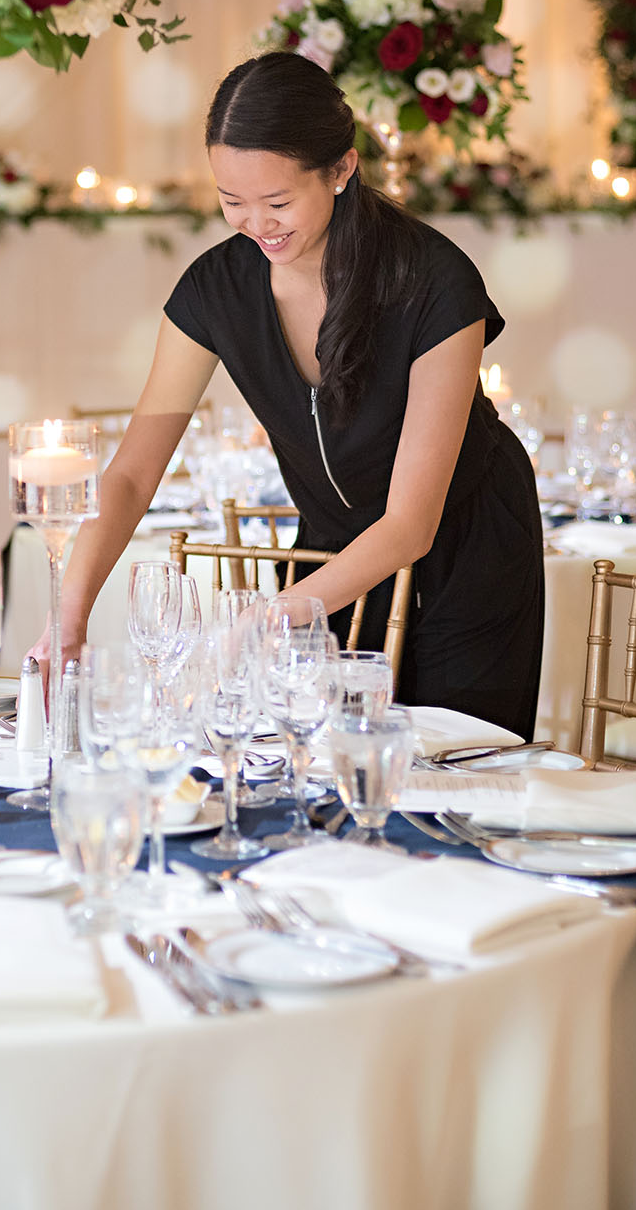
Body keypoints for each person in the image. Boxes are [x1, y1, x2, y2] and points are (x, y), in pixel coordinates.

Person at [44, 50, 545, 740]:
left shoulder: (434, 284)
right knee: (313, 763)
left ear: (342, 169)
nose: (257, 224)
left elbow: (410, 524)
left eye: (278, 202)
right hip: (332, 555)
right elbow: (131, 475)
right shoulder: (216, 290)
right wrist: (67, 617)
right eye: (232, 202)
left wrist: (276, 612)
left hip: (466, 549)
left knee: (447, 776)